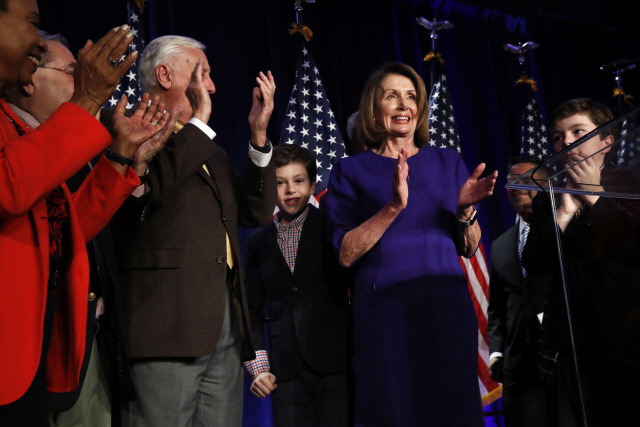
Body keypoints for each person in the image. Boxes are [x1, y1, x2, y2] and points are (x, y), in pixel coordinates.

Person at [0, 1, 176, 424]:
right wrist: (89, 98)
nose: (39, 41)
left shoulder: (22, 129)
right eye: (33, 24)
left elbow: (66, 228)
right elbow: (9, 187)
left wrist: (120, 157)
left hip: (32, 358)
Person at [325, 62, 498, 426]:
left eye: (411, 97)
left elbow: (467, 248)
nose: (404, 105)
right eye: (392, 96)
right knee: (394, 410)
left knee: (454, 408)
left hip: (447, 305)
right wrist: (393, 206)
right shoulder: (349, 170)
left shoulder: (448, 161)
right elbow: (345, 253)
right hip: (386, 312)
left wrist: (465, 211)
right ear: (375, 107)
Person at [118, 35, 277, 427]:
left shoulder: (210, 150)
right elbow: (153, 188)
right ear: (164, 74)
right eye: (201, 74)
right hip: (167, 323)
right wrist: (200, 126)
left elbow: (255, 211)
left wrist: (258, 137)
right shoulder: (130, 129)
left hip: (222, 323)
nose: (211, 86)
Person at [523, 98, 640, 426]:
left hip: (628, 344)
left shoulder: (632, 182)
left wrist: (594, 196)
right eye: (558, 136)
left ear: (607, 142)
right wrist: (563, 213)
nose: (567, 142)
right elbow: (533, 263)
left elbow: (633, 248)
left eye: (578, 131)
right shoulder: (550, 198)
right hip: (574, 348)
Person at [244, 144, 351, 427]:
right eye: (280, 183)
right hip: (286, 368)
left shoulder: (331, 227)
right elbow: (251, 310)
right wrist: (258, 368)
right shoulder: (258, 242)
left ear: (313, 184)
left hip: (336, 362)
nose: (290, 190)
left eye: (299, 181)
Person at [487, 156, 551, 427]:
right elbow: (497, 307)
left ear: (547, 184)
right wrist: (496, 353)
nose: (518, 187)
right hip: (517, 365)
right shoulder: (500, 245)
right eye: (512, 181)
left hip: (558, 355)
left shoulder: (564, 229)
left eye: (527, 180)